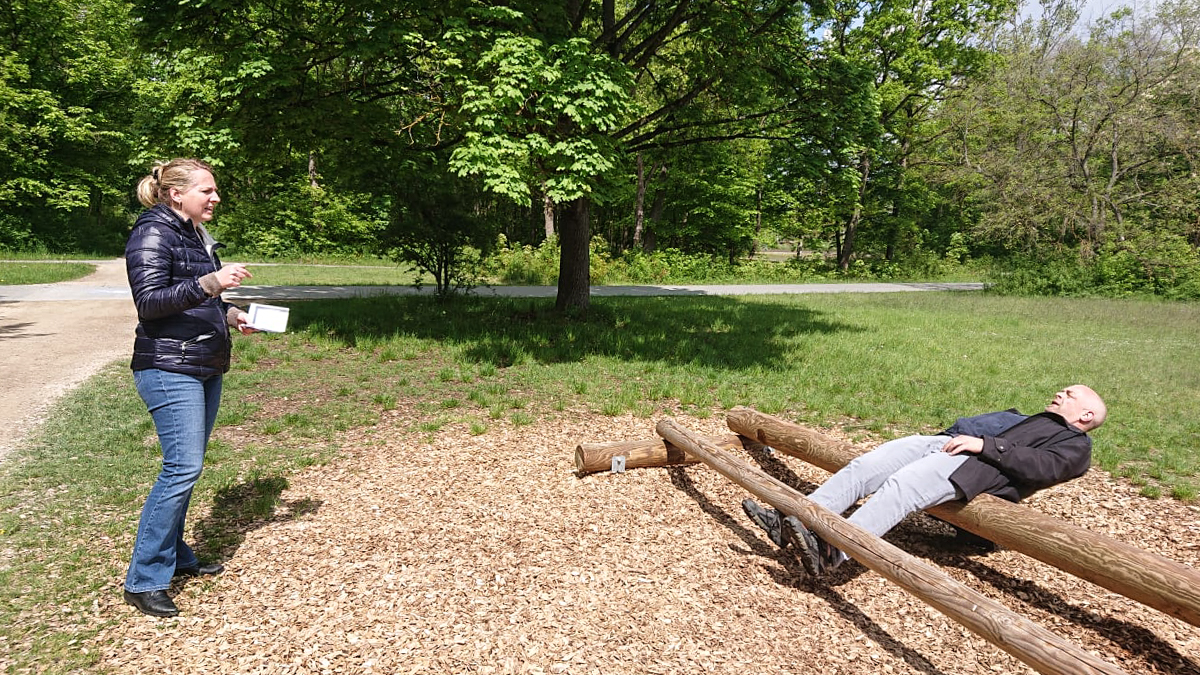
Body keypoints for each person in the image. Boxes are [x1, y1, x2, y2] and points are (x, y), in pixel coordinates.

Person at [743, 385, 1107, 577]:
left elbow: (1044, 466)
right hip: (943, 444)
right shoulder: (1041, 420)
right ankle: (789, 520)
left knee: (898, 490)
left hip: (973, 465)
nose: (1060, 394)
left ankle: (830, 552)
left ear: (1086, 414)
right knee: (864, 468)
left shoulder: (1076, 446)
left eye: (1070, 394)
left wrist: (984, 444)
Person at [122, 158, 256, 617]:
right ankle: (144, 578)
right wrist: (210, 282)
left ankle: (174, 556)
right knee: (182, 468)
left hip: (203, 363)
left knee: (188, 467)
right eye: (207, 190)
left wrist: (231, 313)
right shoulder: (153, 232)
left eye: (215, 190)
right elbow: (150, 302)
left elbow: (200, 298)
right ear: (177, 193)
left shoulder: (193, 233)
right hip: (168, 366)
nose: (215, 197)